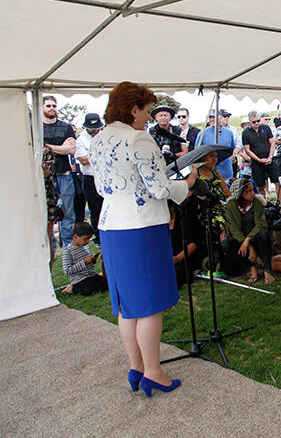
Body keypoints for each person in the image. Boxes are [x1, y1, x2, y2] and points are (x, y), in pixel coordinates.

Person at [89, 81, 197, 397]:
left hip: (110, 226)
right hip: (142, 227)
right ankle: (154, 372)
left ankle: (137, 366)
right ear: (133, 108)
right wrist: (186, 185)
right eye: (148, 112)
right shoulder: (139, 139)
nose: (148, 119)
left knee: (127, 305)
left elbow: (100, 189)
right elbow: (160, 189)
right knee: (149, 305)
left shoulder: (98, 140)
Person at [222, 178, 274, 284]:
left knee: (264, 234)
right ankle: (251, 269)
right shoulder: (230, 206)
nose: (252, 193)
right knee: (226, 244)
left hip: (256, 236)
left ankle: (267, 270)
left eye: (252, 190)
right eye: (248, 191)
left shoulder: (257, 202)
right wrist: (248, 246)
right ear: (241, 193)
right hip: (240, 238)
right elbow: (234, 229)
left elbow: (260, 224)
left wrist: (247, 241)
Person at [42, 95, 76, 247]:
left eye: (54, 106)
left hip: (64, 174)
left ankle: (68, 244)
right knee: (47, 213)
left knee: (68, 212)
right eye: (48, 106)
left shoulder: (66, 127)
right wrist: (61, 148)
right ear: (42, 107)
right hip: (45, 176)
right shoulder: (36, 128)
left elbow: (71, 149)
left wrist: (48, 147)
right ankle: (51, 246)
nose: (51, 109)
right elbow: (38, 149)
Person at [75, 113, 105, 245]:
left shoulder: (105, 136)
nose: (95, 131)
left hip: (104, 177)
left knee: (106, 205)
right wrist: (100, 153)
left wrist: (92, 155)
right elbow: (83, 160)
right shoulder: (80, 139)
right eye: (92, 128)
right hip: (89, 178)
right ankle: (98, 237)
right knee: (94, 208)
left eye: (97, 128)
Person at [61, 222, 108, 296]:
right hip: (80, 279)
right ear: (76, 237)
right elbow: (67, 270)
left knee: (106, 283)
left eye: (89, 239)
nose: (88, 241)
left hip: (91, 275)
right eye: (85, 239)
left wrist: (92, 260)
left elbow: (88, 262)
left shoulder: (85, 247)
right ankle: (72, 289)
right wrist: (84, 262)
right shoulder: (68, 251)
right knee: (91, 289)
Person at [242, 111, 277, 197]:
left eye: (258, 121)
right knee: (260, 185)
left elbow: (272, 142)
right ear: (250, 122)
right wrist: (258, 160)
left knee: (277, 181)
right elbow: (247, 150)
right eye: (254, 122)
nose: (256, 123)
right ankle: (263, 205)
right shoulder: (245, 133)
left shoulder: (266, 128)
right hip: (256, 162)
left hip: (269, 159)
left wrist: (270, 156)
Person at [197, 110, 237, 179]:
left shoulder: (229, 133)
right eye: (210, 118)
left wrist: (233, 156)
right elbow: (197, 152)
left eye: (214, 117)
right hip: (209, 171)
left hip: (226, 171)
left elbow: (232, 148)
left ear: (221, 118)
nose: (212, 120)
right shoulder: (202, 134)